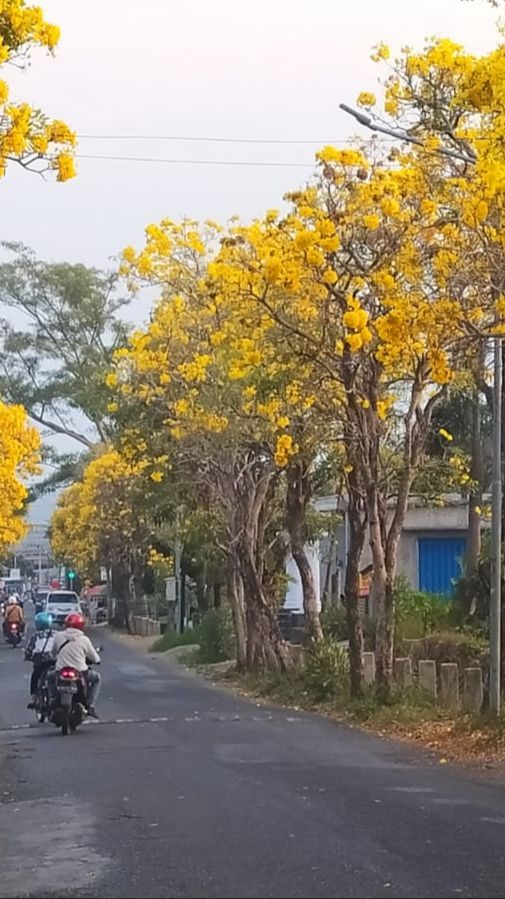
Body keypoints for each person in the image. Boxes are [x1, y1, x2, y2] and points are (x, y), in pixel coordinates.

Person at [47, 612, 101, 718]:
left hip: (60, 671)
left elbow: (52, 653)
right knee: (97, 679)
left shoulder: (58, 636)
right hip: (81, 672)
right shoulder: (84, 640)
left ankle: (52, 698)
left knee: (49, 677)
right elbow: (95, 658)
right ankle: (90, 705)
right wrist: (97, 661)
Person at [25, 612, 55, 709]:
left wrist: (27, 656)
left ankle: (34, 699)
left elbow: (29, 650)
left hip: (41, 661)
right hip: (55, 660)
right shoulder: (56, 634)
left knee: (35, 677)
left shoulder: (36, 636)